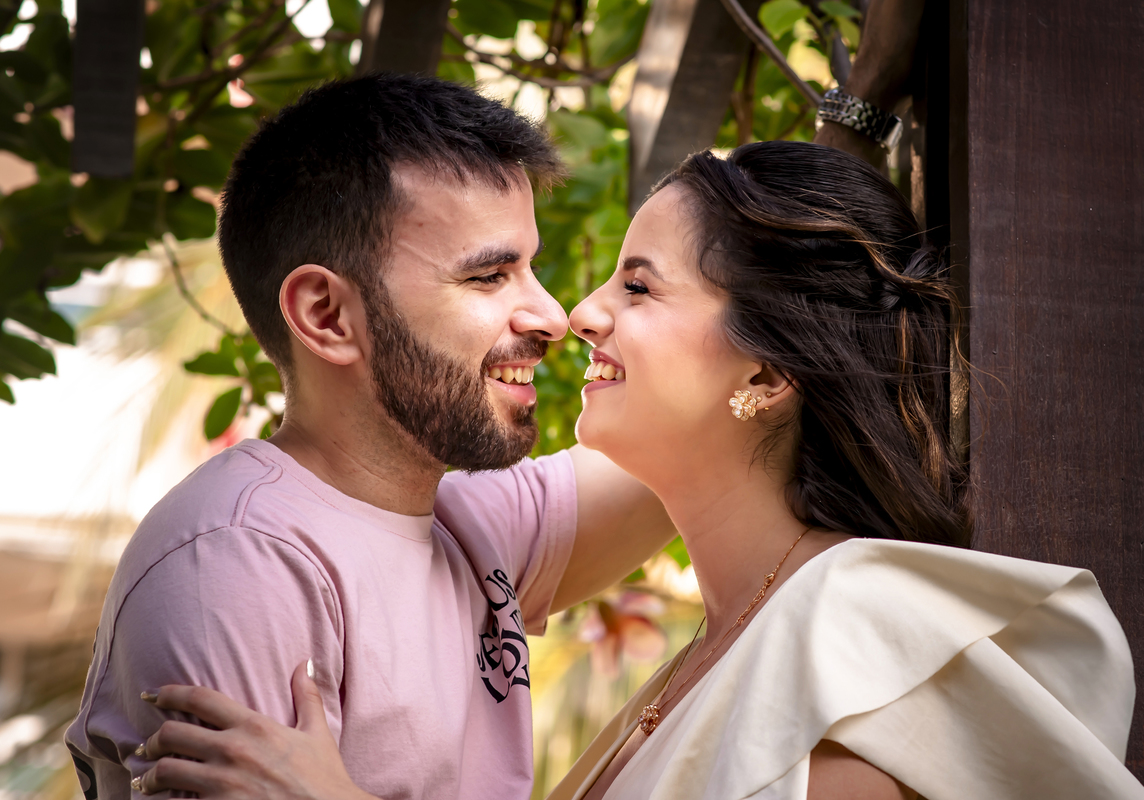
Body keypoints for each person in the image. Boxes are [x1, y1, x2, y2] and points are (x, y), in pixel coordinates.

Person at [128, 140, 1141, 799]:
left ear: (771, 366)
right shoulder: (732, 626)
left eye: (639, 283)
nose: (571, 312)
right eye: (491, 273)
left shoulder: (858, 650)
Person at [63, 73, 678, 800]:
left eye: (530, 267)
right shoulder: (239, 568)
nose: (548, 314)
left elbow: (702, 436)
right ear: (326, 315)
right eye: (489, 276)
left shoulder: (466, 525)